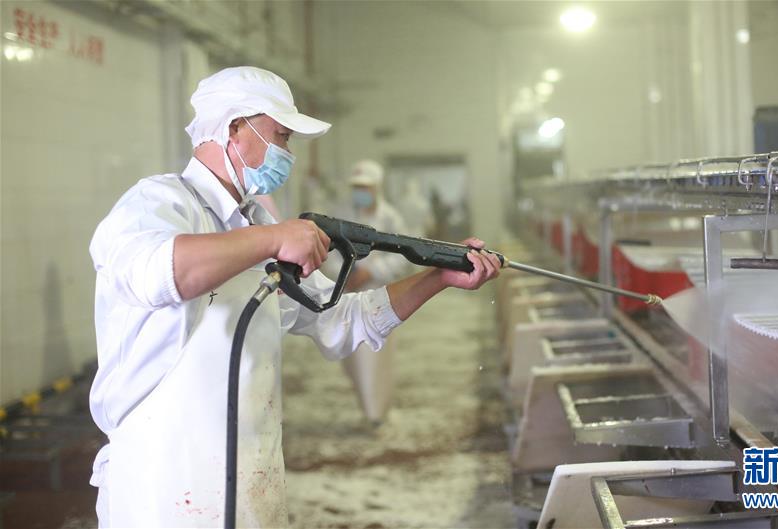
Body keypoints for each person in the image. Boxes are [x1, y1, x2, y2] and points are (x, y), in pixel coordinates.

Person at [87, 66, 501, 527]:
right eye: (281, 136)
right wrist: (272, 238)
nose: (287, 153)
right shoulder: (158, 203)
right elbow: (159, 272)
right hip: (162, 481)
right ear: (234, 128)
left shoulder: (254, 225)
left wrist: (438, 278)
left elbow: (343, 319)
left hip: (250, 471)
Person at [328, 159, 410, 424]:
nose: (360, 192)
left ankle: (376, 412)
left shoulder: (391, 218)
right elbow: (328, 252)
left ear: (377, 187)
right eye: (357, 187)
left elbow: (402, 257)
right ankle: (367, 405)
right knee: (351, 356)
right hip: (348, 294)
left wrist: (371, 272)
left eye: (365, 187)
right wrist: (345, 275)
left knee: (375, 356)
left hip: (379, 296)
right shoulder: (340, 215)